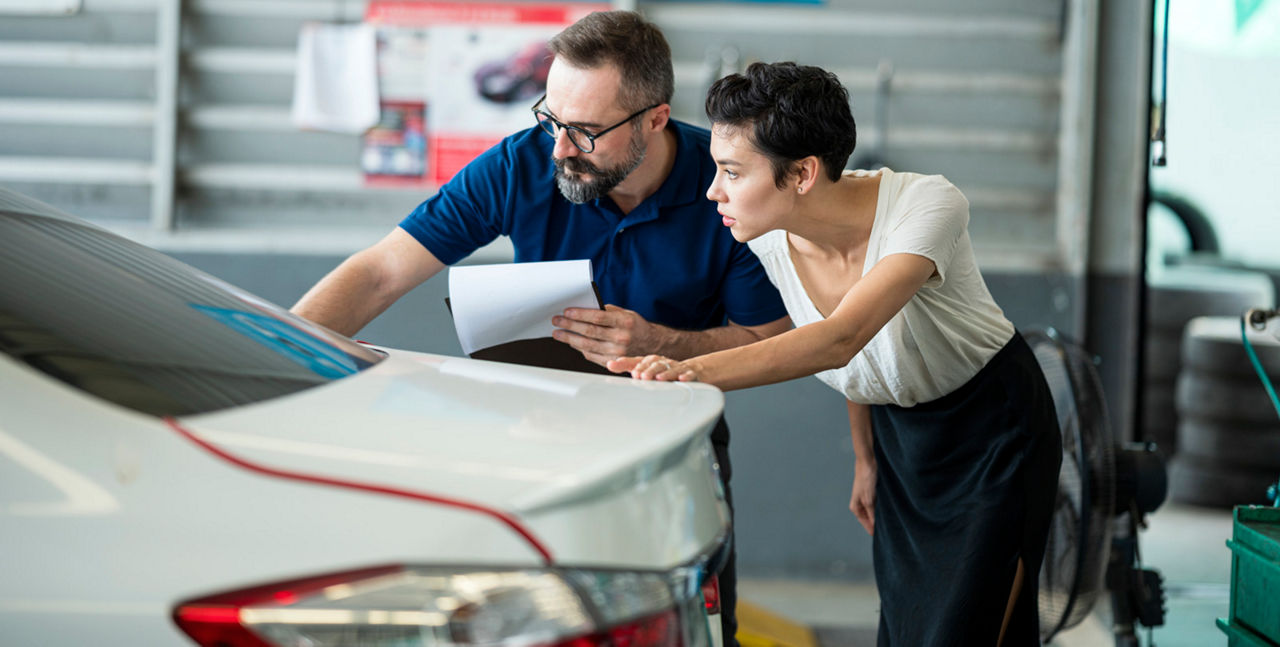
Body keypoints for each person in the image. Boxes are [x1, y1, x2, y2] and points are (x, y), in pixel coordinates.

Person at [290, 11, 792, 644]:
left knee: (691, 626)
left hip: (669, 448)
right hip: (537, 438)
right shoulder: (523, 163)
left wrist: (664, 345)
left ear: (654, 119)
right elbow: (382, 271)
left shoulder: (726, 187)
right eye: (550, 119)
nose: (557, 148)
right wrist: (271, 355)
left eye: (584, 132)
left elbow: (769, 342)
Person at [609, 62, 1063, 647]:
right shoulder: (769, 237)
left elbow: (842, 335)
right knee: (906, 625)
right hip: (901, 438)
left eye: (730, 172)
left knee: (966, 627)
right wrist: (866, 457)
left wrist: (687, 371)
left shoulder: (925, 207)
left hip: (993, 430)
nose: (711, 191)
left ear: (801, 172)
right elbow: (856, 362)